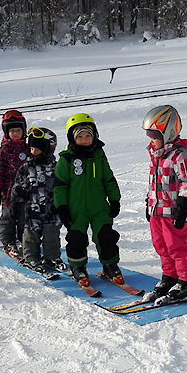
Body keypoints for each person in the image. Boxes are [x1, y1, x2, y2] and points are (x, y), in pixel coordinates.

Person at [140, 105, 187, 304]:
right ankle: (170, 276)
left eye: (154, 135)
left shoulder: (180, 154)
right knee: (161, 245)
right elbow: (154, 181)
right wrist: (148, 202)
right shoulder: (156, 153)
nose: (151, 140)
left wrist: (184, 205)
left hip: (174, 210)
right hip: (157, 209)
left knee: (177, 246)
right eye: (149, 135)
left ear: (168, 133)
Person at [54, 113, 122, 288]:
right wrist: (61, 207)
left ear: (95, 136)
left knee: (106, 236)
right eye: (80, 137)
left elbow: (109, 179)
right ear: (72, 138)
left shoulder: (99, 155)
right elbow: (60, 186)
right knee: (76, 238)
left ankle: (110, 264)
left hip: (99, 207)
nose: (84, 140)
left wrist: (114, 200)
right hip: (76, 209)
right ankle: (78, 267)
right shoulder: (66, 159)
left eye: (88, 136)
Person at [11, 127, 66, 272]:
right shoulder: (26, 168)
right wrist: (17, 201)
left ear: (48, 149)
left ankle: (52, 257)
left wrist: (64, 205)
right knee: (31, 237)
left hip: (52, 212)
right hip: (32, 212)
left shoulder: (57, 168)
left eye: (37, 149)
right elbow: (17, 187)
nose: (33, 152)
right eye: (31, 148)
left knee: (52, 237)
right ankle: (31, 258)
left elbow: (63, 187)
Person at [0, 109, 29, 255]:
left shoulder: (27, 149)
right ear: (7, 132)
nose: (15, 133)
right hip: (8, 193)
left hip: (26, 193)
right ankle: (7, 241)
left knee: (24, 218)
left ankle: (23, 240)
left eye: (18, 130)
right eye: (12, 131)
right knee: (8, 218)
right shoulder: (2, 151)